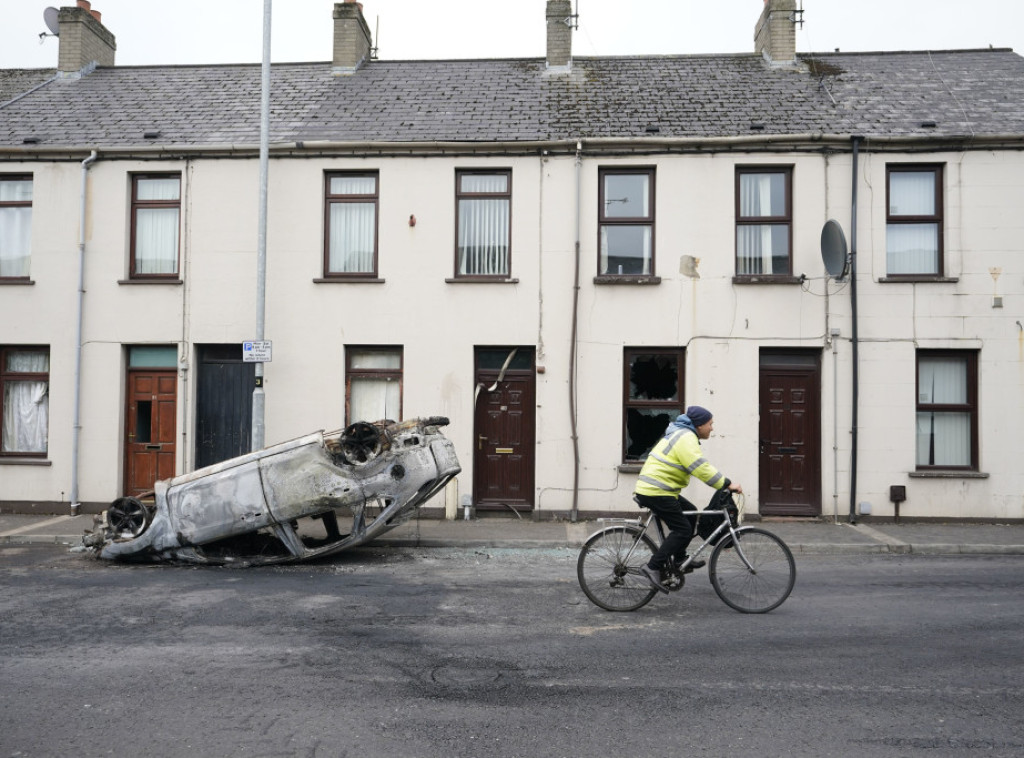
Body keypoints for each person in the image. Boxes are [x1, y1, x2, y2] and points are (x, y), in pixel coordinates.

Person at [634, 405, 742, 593]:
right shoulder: (685, 437)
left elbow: (699, 467)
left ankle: (680, 558)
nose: (712, 428)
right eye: (710, 424)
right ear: (699, 425)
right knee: (682, 529)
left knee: (690, 514)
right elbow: (700, 468)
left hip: (659, 490)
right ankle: (652, 567)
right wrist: (726, 483)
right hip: (655, 491)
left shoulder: (683, 435)